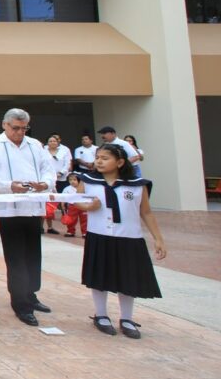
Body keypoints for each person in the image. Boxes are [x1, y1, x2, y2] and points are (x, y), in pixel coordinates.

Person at [71, 144, 166, 339]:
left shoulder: (137, 185)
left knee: (128, 276)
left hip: (129, 237)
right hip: (99, 235)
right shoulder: (88, 180)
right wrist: (89, 206)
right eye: (98, 157)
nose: (99, 161)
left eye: (105, 158)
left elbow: (145, 212)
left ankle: (127, 318)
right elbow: (76, 201)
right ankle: (101, 314)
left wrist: (158, 238)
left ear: (120, 162)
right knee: (99, 276)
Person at [0, 108, 55, 327]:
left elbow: (48, 170)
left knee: (33, 254)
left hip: (33, 206)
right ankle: (20, 302)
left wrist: (44, 183)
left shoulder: (35, 145)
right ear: (5, 125)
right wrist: (9, 186)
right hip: (9, 209)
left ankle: (31, 294)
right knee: (15, 256)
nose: (19, 132)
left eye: (24, 128)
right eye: (15, 128)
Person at [44, 134, 72, 235]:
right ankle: (44, 226)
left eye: (54, 141)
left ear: (58, 142)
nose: (52, 143)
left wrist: (61, 172)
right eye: (50, 141)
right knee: (46, 203)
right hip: (47, 179)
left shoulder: (64, 150)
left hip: (61, 178)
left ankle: (69, 224)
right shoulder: (43, 150)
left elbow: (67, 163)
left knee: (62, 200)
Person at [60, 173, 88, 238]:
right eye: (70, 180)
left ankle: (85, 233)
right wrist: (63, 204)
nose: (72, 181)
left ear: (79, 180)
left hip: (83, 205)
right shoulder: (67, 189)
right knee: (71, 220)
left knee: (84, 219)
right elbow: (63, 197)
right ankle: (70, 231)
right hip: (72, 206)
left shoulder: (84, 187)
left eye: (74, 180)